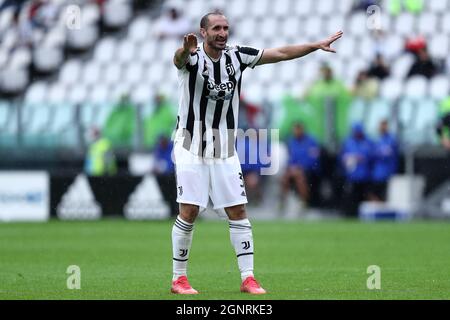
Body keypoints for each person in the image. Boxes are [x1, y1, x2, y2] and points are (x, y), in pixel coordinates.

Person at [170, 11, 343, 295]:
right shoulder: (192, 57)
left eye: (225, 28)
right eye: (216, 28)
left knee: (238, 210)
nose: (222, 32)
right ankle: (179, 279)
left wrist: (314, 46)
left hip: (224, 146)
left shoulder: (237, 56)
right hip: (190, 143)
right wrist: (183, 50)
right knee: (189, 210)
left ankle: (248, 277)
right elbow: (178, 61)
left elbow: (282, 53)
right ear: (203, 33)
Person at [280, 122, 321, 209]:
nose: (296, 132)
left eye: (297, 129)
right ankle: (283, 202)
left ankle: (304, 202)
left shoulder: (311, 141)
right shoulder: (292, 142)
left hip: (310, 170)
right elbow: (290, 159)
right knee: (284, 177)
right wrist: (291, 167)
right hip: (294, 170)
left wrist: (300, 166)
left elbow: (313, 159)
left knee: (300, 177)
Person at [340, 123, 373, 216]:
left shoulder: (368, 142)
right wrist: (346, 158)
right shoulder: (348, 142)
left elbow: (371, 156)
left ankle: (365, 216)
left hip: (365, 176)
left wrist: (361, 158)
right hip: (352, 176)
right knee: (351, 197)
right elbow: (342, 157)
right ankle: (351, 215)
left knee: (365, 197)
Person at [369, 120, 398, 201]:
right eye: (381, 125)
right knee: (375, 194)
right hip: (377, 174)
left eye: (384, 125)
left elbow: (389, 154)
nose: (382, 127)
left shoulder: (391, 140)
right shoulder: (376, 140)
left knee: (386, 196)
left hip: (388, 173)